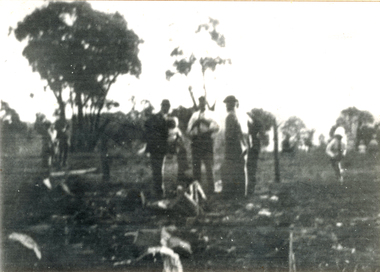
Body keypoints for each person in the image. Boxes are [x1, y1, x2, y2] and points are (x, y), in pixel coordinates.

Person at [187, 96, 219, 195]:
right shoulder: (194, 115)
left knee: (209, 166)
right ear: (198, 103)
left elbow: (217, 127)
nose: (202, 104)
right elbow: (188, 130)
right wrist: (194, 127)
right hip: (196, 142)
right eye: (200, 102)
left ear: (206, 103)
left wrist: (205, 121)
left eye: (203, 102)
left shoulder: (211, 114)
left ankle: (211, 189)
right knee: (196, 167)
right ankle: (198, 191)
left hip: (207, 141)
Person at [222, 95, 247, 198]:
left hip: (234, 146)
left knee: (234, 169)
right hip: (240, 145)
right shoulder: (238, 115)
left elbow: (230, 134)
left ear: (232, 104)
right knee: (239, 169)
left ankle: (238, 193)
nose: (227, 106)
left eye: (228, 103)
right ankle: (241, 192)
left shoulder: (230, 116)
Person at [144, 99, 171, 198]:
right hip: (155, 148)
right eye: (165, 106)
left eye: (168, 107)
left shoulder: (167, 118)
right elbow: (147, 127)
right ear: (162, 107)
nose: (167, 108)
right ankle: (159, 192)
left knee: (159, 171)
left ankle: (158, 191)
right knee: (157, 171)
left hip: (161, 149)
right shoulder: (155, 118)